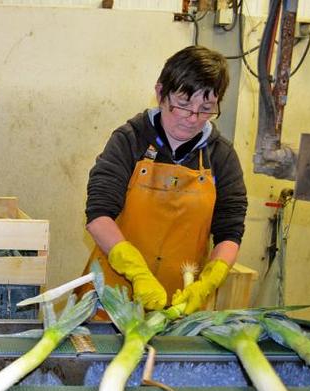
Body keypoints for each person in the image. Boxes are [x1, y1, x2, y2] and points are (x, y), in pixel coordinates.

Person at [83, 45, 247, 315]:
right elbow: (98, 214)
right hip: (112, 298)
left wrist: (209, 280)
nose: (192, 118)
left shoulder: (222, 155)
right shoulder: (130, 140)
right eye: (183, 104)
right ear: (160, 93)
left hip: (181, 305)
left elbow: (229, 232)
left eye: (206, 108)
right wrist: (136, 272)